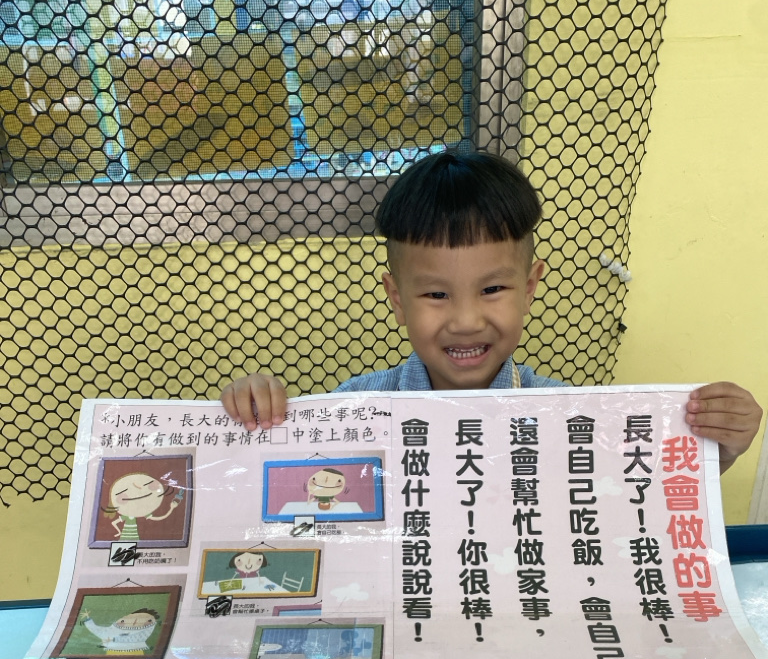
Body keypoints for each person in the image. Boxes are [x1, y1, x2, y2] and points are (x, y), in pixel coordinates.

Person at [220, 150, 762, 474]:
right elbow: (294, 488)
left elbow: (635, 496)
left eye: (493, 288)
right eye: (436, 295)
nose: (465, 321)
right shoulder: (354, 410)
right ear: (397, 298)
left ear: (530, 286)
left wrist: (717, 450)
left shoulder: (568, 419)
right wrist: (254, 419)